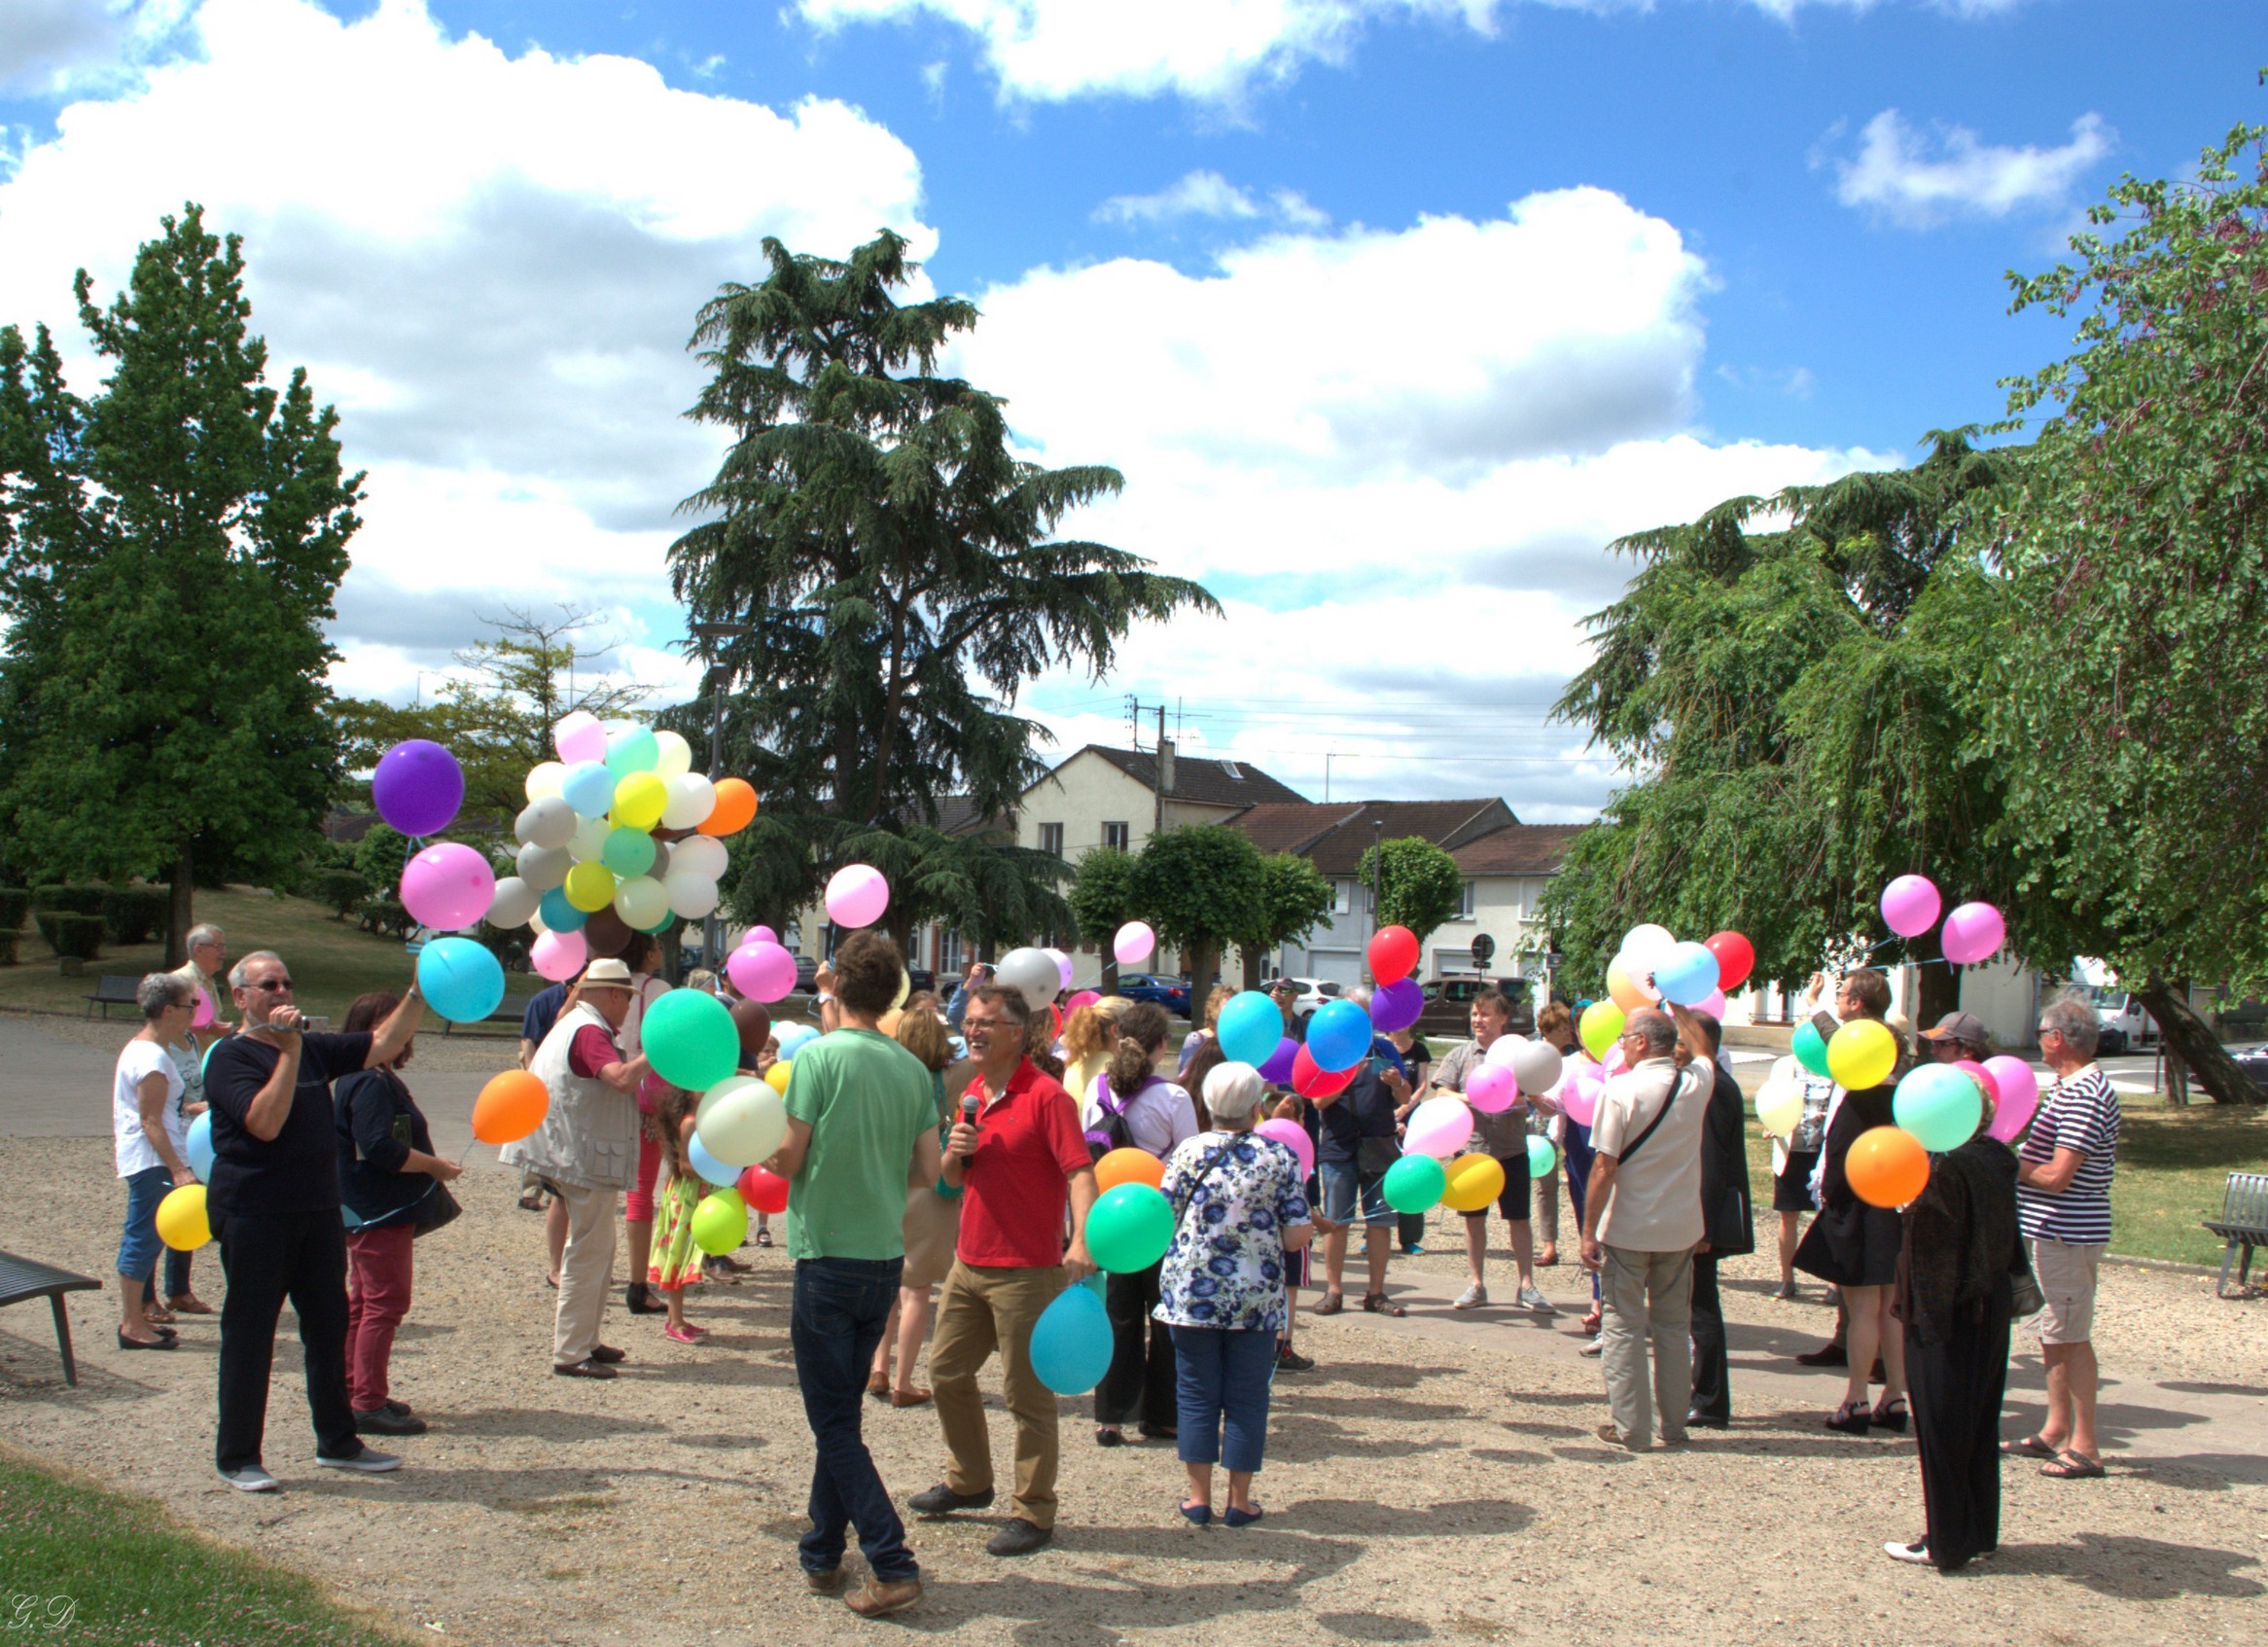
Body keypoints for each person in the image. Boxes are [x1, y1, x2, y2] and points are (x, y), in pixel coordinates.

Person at [766, 931, 942, 1619]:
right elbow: (928, 1169)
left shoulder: (817, 1059)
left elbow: (789, 1154)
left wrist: (764, 1148)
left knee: (834, 1420)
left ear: (835, 985)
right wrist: (874, 1168)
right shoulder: (908, 1067)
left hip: (827, 1253)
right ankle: (819, 1548)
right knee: (838, 1412)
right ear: (895, 990)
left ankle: (892, 1559)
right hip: (882, 1258)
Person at [204, 951, 424, 1490]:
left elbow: (380, 1046)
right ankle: (238, 1457)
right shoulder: (230, 1058)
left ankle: (338, 1441)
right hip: (255, 1213)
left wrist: (419, 994)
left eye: (286, 983)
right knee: (250, 1334)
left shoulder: (310, 1048)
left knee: (328, 1327)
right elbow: (264, 1123)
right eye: (267, 984)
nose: (281, 992)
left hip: (318, 1210)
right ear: (240, 997)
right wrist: (289, 1051)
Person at [911, 982, 1099, 1557]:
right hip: (969, 1263)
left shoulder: (1047, 1098)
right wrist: (956, 1146)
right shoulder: (971, 1093)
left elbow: (1080, 1174)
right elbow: (949, 1179)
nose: (973, 1030)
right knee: (945, 1373)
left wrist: (1082, 1240)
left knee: (1027, 1398)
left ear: (1017, 1033)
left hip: (1027, 1270)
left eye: (986, 1022)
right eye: (969, 1020)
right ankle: (970, 1481)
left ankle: (1034, 1512)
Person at [1156, 1061, 1313, 1526]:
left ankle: (1198, 1497)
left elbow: (1162, 1217)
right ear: (1255, 1105)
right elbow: (1295, 1237)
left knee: (1196, 1392)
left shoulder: (1186, 1152)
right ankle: (1239, 1501)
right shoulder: (1279, 1158)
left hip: (1192, 1293)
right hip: (1256, 1295)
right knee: (1248, 1397)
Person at [502, 959, 653, 1380]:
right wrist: (655, 1053)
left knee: (597, 1249)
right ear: (609, 994)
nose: (627, 1006)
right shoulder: (589, 1031)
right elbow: (621, 1079)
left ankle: (584, 1339)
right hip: (581, 1155)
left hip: (571, 1151)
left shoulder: (572, 1024)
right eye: (625, 996)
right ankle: (571, 1350)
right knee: (588, 1251)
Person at [1889, 1090, 2021, 1570]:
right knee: (1980, 1422)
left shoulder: (1946, 1172)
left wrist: (1910, 1209)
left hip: (1946, 1315)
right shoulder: (1995, 1157)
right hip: (1990, 1305)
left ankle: (1944, 1540)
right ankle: (1979, 1529)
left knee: (1942, 1427)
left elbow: (1934, 1256)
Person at [1577, 1008, 1710, 1451]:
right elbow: (1705, 1048)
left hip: (1630, 1227)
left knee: (1622, 1327)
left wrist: (1588, 1230)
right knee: (1674, 1327)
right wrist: (1680, 1005)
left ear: (1640, 1043)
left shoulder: (1620, 1089)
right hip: (1680, 1227)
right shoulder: (1695, 1083)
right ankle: (1674, 1424)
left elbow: (1604, 1165)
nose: (1618, 1043)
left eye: (1623, 1036)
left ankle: (1631, 1426)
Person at [334, 989, 460, 1436]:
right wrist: (434, 1166)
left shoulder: (367, 1074)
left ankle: (355, 1389)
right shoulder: (368, 1079)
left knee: (364, 1302)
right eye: (398, 1023)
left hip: (368, 1208)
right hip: (379, 1209)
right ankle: (365, 1401)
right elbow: (381, 1148)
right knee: (384, 1304)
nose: (408, 1031)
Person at [2007, 995, 2119, 1482]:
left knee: (2071, 1337)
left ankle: (2087, 1446)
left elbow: (2058, 1176)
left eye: (2041, 1033)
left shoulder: (2084, 1093)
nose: (2039, 1042)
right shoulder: (2069, 1088)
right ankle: (2055, 1430)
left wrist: (2009, 1163)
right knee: (2054, 1333)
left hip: (2068, 1231)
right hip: (2055, 1231)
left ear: (2057, 1039)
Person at [1793, 998, 1910, 1435]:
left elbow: (1838, 1164)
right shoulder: (1904, 1100)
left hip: (1859, 1215)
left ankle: (1856, 1397)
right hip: (1895, 1212)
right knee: (1890, 1309)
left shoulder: (1859, 1103)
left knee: (1863, 1308)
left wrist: (1830, 1201)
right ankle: (1895, 1395)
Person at [1087, 1002, 1200, 1447]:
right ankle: (1163, 1415)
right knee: (1166, 1319)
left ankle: (1110, 1416)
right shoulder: (1173, 1097)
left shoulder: (1096, 1089)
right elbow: (1190, 1159)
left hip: (1112, 1218)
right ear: (1161, 1046)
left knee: (1118, 1316)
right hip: (1161, 1220)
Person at [1430, 988, 1551, 1314]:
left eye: (1484, 1014)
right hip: (1472, 1151)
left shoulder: (1519, 1055)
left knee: (1519, 1219)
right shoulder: (1460, 1055)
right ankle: (1476, 1284)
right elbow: (1441, 1090)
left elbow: (1536, 1097)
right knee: (1473, 1220)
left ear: (1502, 1019)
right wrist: (1470, 1098)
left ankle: (1527, 1286)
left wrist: (1511, 1100)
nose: (1477, 1020)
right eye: (1474, 1014)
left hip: (1511, 1149)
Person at [868, 1006, 962, 1406]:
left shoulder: (887, 1077)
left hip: (889, 1182)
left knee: (887, 1287)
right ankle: (904, 1380)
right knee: (917, 1291)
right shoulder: (956, 1077)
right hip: (932, 1187)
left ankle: (878, 1368)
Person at [1672, 1006, 1754, 1431]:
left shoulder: (1716, 1088)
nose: (1675, 1049)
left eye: (1682, 1040)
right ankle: (1700, 1394)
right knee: (1693, 1307)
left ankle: (1710, 1400)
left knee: (1701, 1309)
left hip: (1702, 1219)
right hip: (1694, 1214)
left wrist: (1700, 1224)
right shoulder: (1705, 1085)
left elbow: (1712, 1162)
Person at [1310, 987, 1411, 1318]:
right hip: (1339, 1146)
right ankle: (1334, 1290)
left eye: (1365, 1015)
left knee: (1380, 1222)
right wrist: (1345, 1077)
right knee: (1336, 1221)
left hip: (1378, 1145)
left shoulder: (1381, 1049)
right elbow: (1318, 1102)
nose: (1361, 1021)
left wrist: (1397, 1083)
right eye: (1355, 1014)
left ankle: (1376, 1293)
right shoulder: (1329, 1052)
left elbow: (1404, 1096)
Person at [114, 973, 200, 1350]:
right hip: (153, 1162)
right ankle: (133, 1324)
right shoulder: (151, 1057)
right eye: (189, 1005)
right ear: (169, 1010)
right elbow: (149, 1120)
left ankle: (134, 1319)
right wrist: (178, 1169)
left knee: (146, 1237)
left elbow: (161, 1110)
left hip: (153, 1158)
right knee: (143, 1238)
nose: (194, 1012)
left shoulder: (149, 1050)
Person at [618, 937, 685, 1314]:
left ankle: (631, 1279)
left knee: (624, 1191)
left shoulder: (616, 988)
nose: (662, 951)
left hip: (617, 1091)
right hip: (652, 1099)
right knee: (646, 1191)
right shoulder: (659, 990)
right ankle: (639, 1282)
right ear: (647, 953)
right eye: (658, 947)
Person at [159, 985, 215, 1317]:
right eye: (189, 1004)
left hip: (193, 1137)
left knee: (189, 1211)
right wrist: (192, 1107)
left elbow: (199, 1081)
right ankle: (145, 1298)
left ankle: (178, 1290)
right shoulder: (160, 1047)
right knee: (161, 1215)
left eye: (197, 1004)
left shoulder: (191, 1041)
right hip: (172, 1136)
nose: (195, 1010)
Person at [644, 1082, 708, 1344]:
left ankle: (677, 1318)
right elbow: (686, 1166)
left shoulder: (700, 1121)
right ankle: (675, 1321)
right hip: (688, 1195)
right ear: (688, 1093)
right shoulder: (690, 1123)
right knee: (678, 1255)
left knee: (685, 1254)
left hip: (694, 1193)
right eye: (703, 1087)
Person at [1769, 1049, 1834, 1302]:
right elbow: (1773, 1101)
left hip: (1824, 1152)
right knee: (1788, 1215)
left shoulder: (1835, 1065)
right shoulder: (1785, 1065)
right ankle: (1787, 1279)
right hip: (1791, 1149)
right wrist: (1772, 1124)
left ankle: (1834, 1284)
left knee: (1829, 1216)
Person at [1531, 1003, 1578, 1267]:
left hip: (1571, 1122)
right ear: (1547, 1031)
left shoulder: (1574, 1056)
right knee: (1545, 1186)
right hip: (1538, 1123)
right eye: (1563, 1028)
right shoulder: (1534, 1053)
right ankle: (1549, 1245)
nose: (1569, 1032)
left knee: (1578, 1182)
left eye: (1569, 1027)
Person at [1387, 1023, 1434, 1255]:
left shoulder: (1420, 1050)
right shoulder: (1381, 1047)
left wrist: (1405, 1109)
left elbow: (1422, 1084)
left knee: (1411, 1175)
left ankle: (1410, 1238)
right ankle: (1376, 1232)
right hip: (1385, 1116)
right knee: (1382, 1175)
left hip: (1413, 1116)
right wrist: (1393, 1117)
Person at [1178, 984, 1235, 1079]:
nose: (1231, 1009)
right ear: (1214, 1007)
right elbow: (1184, 1076)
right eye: (1227, 1004)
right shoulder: (1196, 1039)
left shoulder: (1238, 1040)